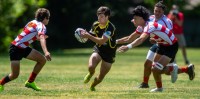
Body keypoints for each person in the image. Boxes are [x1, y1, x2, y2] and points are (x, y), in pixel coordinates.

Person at [116, 1, 195, 89]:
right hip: (159, 44)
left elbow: (143, 39)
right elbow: (130, 38)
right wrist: (114, 42)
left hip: (169, 46)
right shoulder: (149, 19)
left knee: (160, 70)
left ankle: (178, 69)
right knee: (148, 64)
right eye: (155, 11)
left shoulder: (165, 22)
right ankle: (145, 84)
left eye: (159, 11)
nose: (157, 13)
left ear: (163, 12)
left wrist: (128, 47)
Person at [0, 8, 51, 92]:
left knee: (42, 60)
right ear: (45, 18)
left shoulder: (32, 22)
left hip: (23, 48)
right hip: (15, 48)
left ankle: (30, 82)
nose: (48, 20)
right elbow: (41, 37)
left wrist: (38, 37)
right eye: (48, 18)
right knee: (14, 75)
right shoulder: (42, 26)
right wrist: (46, 51)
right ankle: (1, 83)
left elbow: (27, 34)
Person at [80, 6, 116, 91]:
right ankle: (91, 73)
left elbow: (102, 41)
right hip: (99, 49)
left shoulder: (110, 28)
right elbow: (93, 35)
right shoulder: (95, 25)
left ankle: (92, 86)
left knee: (100, 77)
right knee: (91, 66)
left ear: (107, 17)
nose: (99, 18)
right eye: (98, 16)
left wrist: (88, 35)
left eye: (102, 16)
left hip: (109, 54)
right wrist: (84, 35)